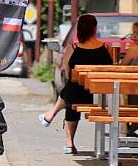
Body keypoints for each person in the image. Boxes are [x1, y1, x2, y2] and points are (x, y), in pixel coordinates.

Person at [39, 14, 113, 154]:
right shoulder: (107, 48)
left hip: (77, 96)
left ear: (79, 29)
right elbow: (111, 71)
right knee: (72, 90)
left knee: (72, 89)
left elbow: (68, 71)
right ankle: (51, 114)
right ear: (95, 28)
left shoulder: (73, 48)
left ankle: (68, 141)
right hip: (100, 97)